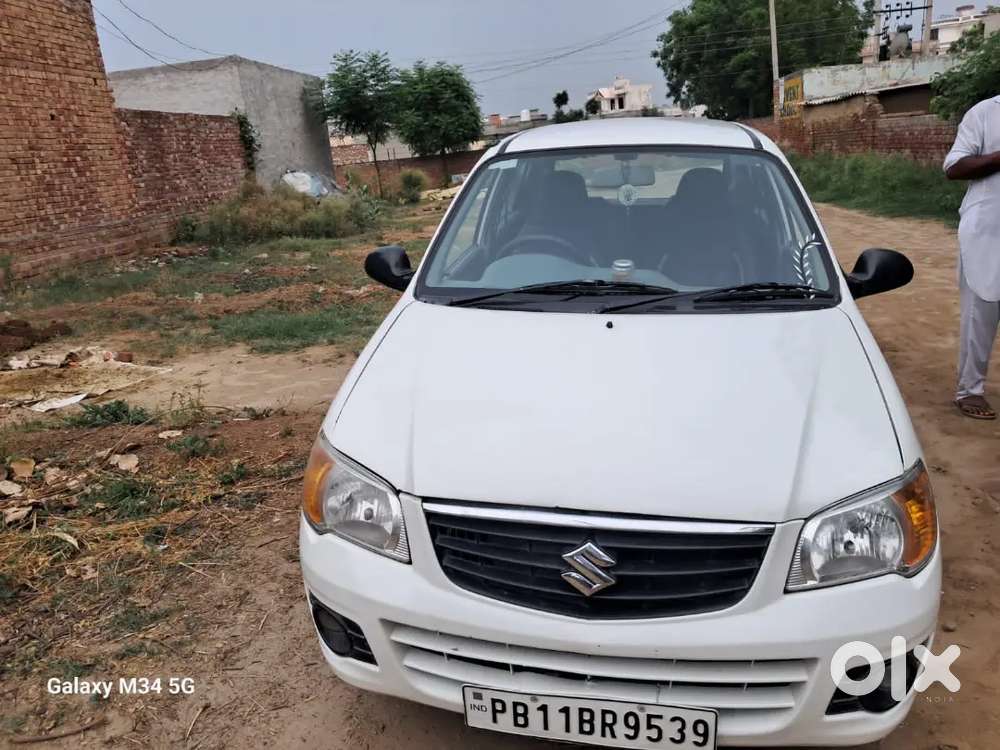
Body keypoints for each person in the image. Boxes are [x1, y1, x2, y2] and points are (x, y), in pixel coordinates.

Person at [944, 94, 1000, 419]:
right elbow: (954, 166)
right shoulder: (984, 113)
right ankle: (970, 390)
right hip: (987, 232)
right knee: (981, 313)